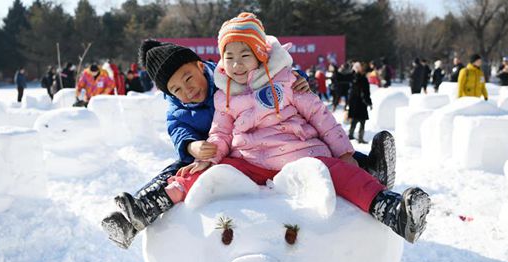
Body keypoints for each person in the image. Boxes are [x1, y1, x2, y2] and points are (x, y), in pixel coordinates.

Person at [111, 13, 428, 249]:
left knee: (341, 171)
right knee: (188, 172)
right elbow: (218, 131)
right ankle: (148, 205)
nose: (186, 90)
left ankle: (391, 208)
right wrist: (203, 152)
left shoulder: (283, 79)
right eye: (229, 58)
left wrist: (344, 151)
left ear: (199, 65)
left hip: (296, 152)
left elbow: (319, 115)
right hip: (245, 155)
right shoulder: (222, 93)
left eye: (243, 55)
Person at [348, 62, 372, 144]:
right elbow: (365, 92)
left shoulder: (354, 78)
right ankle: (360, 138)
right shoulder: (363, 79)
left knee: (355, 120)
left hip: (354, 103)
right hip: (361, 103)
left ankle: (351, 135)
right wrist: (369, 102)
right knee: (362, 121)